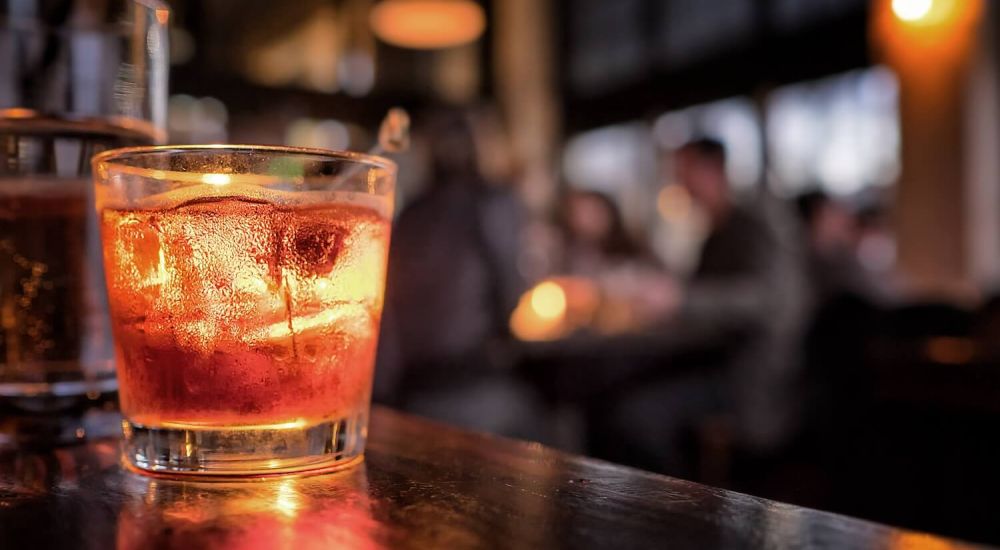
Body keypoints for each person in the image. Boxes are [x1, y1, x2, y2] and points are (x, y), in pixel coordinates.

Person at [595, 138, 808, 476]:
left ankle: (683, 508)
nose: (679, 184)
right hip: (716, 362)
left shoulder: (756, 219)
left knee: (635, 415)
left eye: (683, 173)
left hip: (755, 378)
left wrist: (680, 300)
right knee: (616, 389)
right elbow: (694, 299)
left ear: (713, 169)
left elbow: (770, 300)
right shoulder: (716, 234)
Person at [374, 107, 542, 439]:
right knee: (551, 430)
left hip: (409, 394)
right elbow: (512, 293)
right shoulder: (492, 202)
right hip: (473, 388)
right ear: (482, 146)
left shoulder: (410, 215)